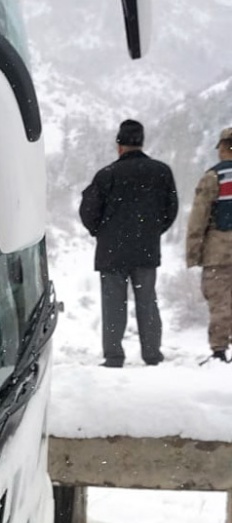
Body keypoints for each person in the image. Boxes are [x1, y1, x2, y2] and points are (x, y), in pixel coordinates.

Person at [79, 119, 178, 367]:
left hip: (112, 250)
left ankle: (114, 355)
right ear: (142, 142)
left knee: (113, 304)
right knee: (147, 300)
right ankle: (152, 354)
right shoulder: (161, 172)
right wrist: (153, 230)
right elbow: (171, 209)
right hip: (146, 247)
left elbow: (88, 211)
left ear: (119, 145)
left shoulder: (106, 175)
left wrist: (100, 232)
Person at [185, 126, 232, 362]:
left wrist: (193, 253)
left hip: (219, 252)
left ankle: (219, 351)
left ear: (223, 148)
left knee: (220, 302)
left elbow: (199, 218)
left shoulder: (213, 177)